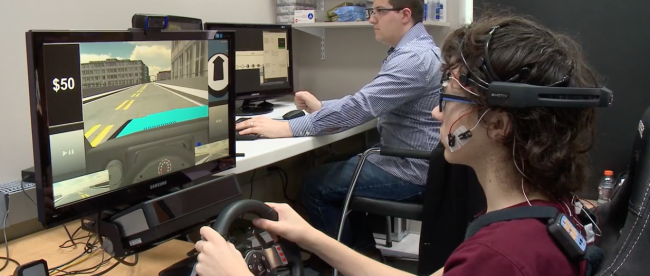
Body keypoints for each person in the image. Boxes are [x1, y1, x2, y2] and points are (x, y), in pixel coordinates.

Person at [194, 11, 603, 276]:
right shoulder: (544, 215)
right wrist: (310, 236)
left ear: (497, 124)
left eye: (447, 98)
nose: (435, 114)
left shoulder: (502, 257)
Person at [235, 0, 443, 257]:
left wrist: (286, 127)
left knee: (315, 184)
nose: (371, 19)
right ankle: (365, 255)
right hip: (412, 162)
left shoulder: (413, 59)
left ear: (404, 15)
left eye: (378, 11)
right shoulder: (418, 50)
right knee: (335, 165)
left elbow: (362, 106)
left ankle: (339, 263)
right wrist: (322, 106)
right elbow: (370, 100)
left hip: (411, 171)